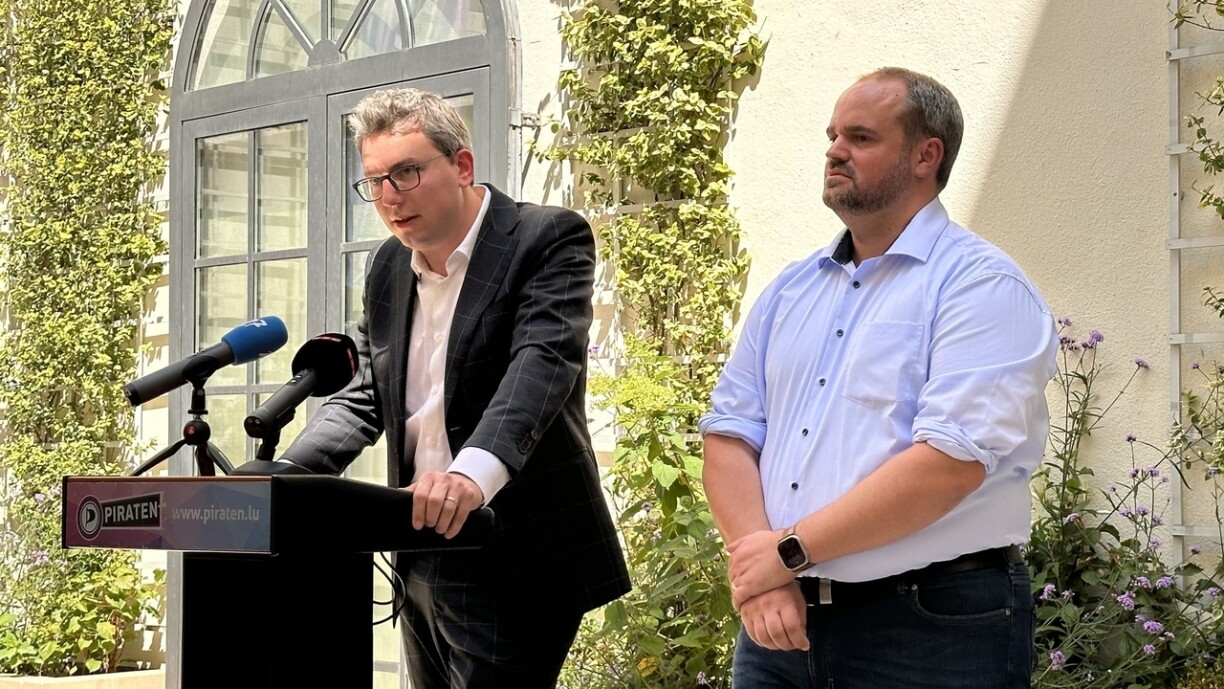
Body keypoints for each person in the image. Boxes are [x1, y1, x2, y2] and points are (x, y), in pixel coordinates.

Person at [699, 67, 1058, 688]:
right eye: (833, 135)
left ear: (927, 155)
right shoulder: (791, 289)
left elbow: (948, 463)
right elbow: (729, 434)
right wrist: (761, 576)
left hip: (928, 630)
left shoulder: (980, 286)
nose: (835, 150)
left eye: (861, 137)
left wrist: (784, 553)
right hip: (779, 625)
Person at [280, 88, 630, 689]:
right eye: (375, 180)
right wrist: (282, 476)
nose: (389, 197)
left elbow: (540, 366)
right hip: (416, 545)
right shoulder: (389, 266)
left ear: (462, 166)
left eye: (407, 172)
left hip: (514, 546)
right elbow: (369, 391)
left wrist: (470, 476)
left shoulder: (545, 239)